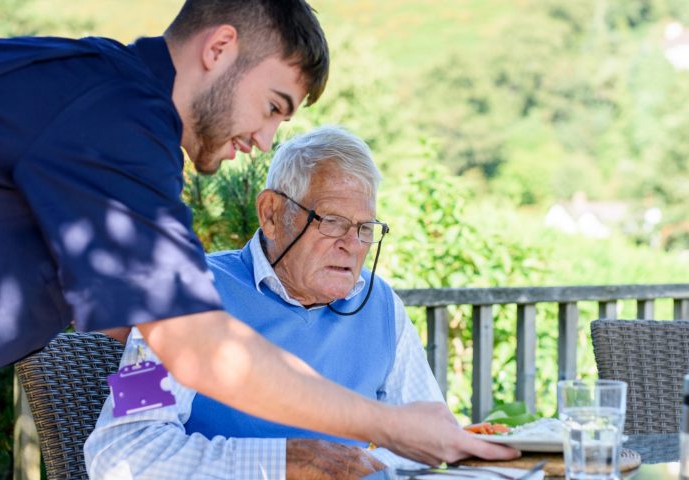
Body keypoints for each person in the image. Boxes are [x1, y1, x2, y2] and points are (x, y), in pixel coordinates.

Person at [0, 0, 518, 465]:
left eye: (364, 229)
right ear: (219, 48)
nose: (263, 138)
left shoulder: (102, 96)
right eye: (272, 106)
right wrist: (381, 428)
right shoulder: (120, 122)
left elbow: (142, 325)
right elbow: (195, 354)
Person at [84, 126, 518, 479]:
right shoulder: (184, 295)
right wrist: (285, 461)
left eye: (366, 228)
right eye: (331, 221)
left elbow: (421, 447)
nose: (352, 245)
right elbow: (122, 450)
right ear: (272, 213)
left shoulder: (380, 305)